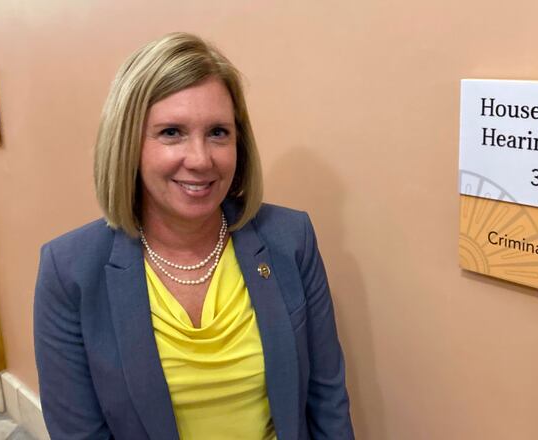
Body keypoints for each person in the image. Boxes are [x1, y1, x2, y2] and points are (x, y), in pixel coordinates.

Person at [33, 32, 354, 440]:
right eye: (171, 132)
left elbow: (327, 400)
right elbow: (78, 432)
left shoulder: (290, 240)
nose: (201, 159)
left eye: (218, 132)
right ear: (127, 144)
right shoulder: (70, 271)